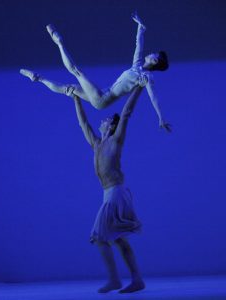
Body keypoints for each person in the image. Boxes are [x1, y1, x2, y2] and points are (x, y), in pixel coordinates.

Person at [20, 12, 171, 132]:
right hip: (102, 94)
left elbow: (153, 96)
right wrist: (140, 28)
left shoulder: (145, 76)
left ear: (155, 61)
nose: (151, 53)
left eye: (154, 55)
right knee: (69, 88)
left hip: (102, 98)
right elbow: (139, 45)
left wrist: (160, 118)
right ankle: (37, 78)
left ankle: (59, 42)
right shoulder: (137, 66)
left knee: (78, 72)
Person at [71, 85, 145, 293]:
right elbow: (83, 124)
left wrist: (139, 87)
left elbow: (126, 113)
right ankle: (136, 279)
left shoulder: (116, 140)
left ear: (111, 125)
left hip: (116, 193)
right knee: (118, 238)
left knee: (99, 236)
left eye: (106, 120)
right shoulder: (97, 144)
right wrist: (75, 98)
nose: (101, 121)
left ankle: (115, 279)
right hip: (109, 193)